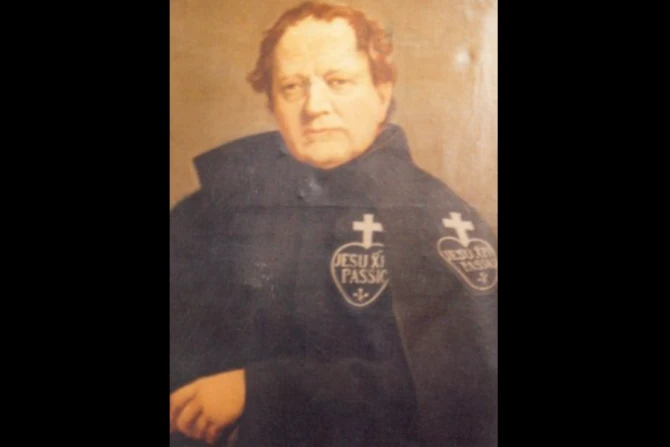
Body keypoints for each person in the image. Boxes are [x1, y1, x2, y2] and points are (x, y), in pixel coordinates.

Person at [169, 2, 497, 446]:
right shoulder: (212, 210)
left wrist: (261, 391)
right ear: (272, 104)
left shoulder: (441, 221)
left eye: (338, 82)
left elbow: (463, 390)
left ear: (382, 91)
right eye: (291, 87)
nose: (315, 106)